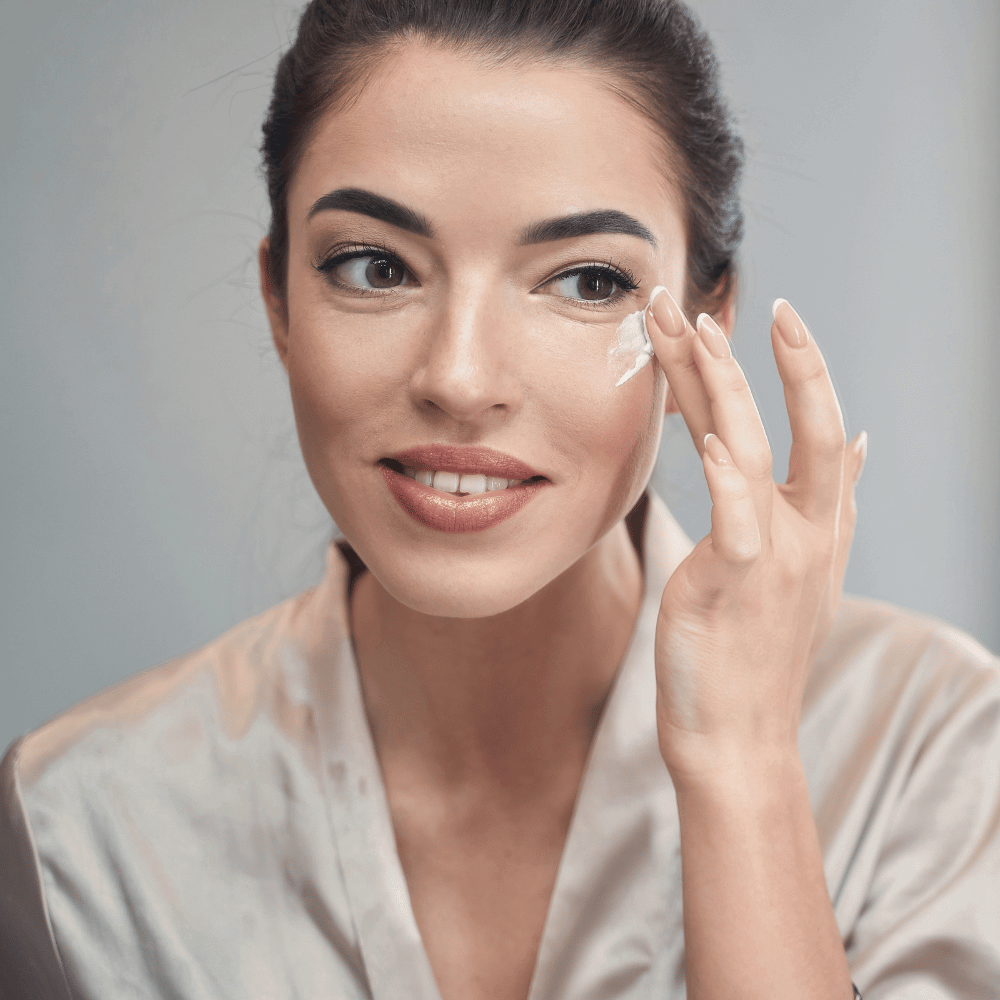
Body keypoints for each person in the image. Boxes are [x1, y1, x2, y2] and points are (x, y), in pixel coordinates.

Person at [2, 1, 998, 997]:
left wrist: (741, 762)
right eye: (374, 266)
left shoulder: (932, 749)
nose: (460, 376)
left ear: (705, 320)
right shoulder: (76, 829)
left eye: (585, 281)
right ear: (278, 301)